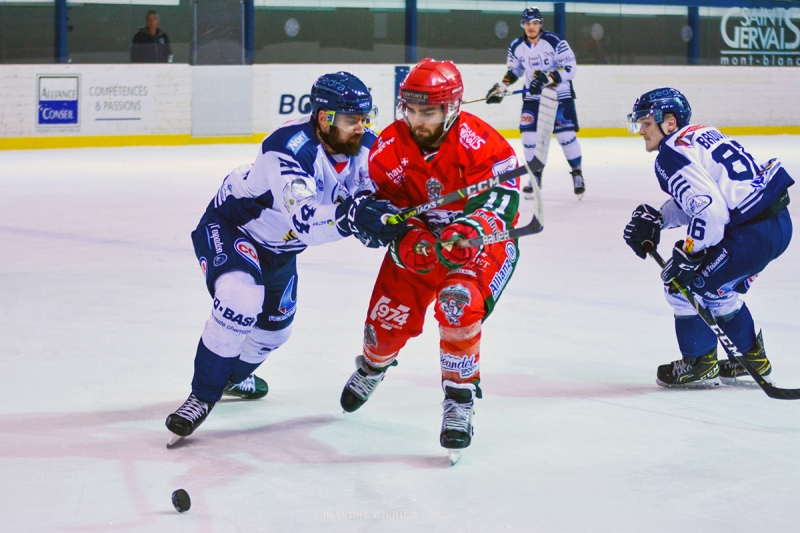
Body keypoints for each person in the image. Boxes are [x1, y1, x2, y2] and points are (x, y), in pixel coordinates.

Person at [165, 72, 407, 441]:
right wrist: (352, 217)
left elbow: (372, 198)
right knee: (240, 300)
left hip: (281, 248)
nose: (360, 127)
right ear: (323, 117)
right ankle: (202, 396)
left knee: (274, 332)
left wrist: (380, 219)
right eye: (351, 120)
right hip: (235, 227)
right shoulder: (288, 147)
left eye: (364, 118)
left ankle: (232, 377)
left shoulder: (368, 149)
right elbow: (307, 221)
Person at [338, 58, 522, 452]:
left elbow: (504, 197)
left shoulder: (480, 141)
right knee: (383, 328)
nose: (418, 121)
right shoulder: (389, 147)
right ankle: (373, 365)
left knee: (458, 303)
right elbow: (383, 207)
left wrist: (473, 228)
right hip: (420, 245)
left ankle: (459, 398)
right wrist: (405, 234)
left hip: (475, 246)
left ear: (452, 108)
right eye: (412, 110)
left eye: (429, 112)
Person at [623, 87, 793, 388]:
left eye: (646, 123)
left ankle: (700, 363)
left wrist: (691, 253)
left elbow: (710, 212)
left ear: (670, 122)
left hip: (750, 237)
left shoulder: (670, 154)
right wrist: (661, 219)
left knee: (681, 287)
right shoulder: (702, 134)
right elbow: (705, 199)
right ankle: (752, 360)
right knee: (718, 291)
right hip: (777, 225)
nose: (641, 131)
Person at [486, 7, 585, 199]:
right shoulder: (517, 46)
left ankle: (577, 173)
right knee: (529, 138)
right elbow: (514, 70)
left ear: (541, 24)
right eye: (528, 23)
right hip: (533, 97)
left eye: (535, 23)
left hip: (559, 94)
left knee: (565, 136)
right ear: (522, 25)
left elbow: (570, 68)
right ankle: (535, 176)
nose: (531, 27)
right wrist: (502, 87)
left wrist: (547, 78)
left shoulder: (555, 41)